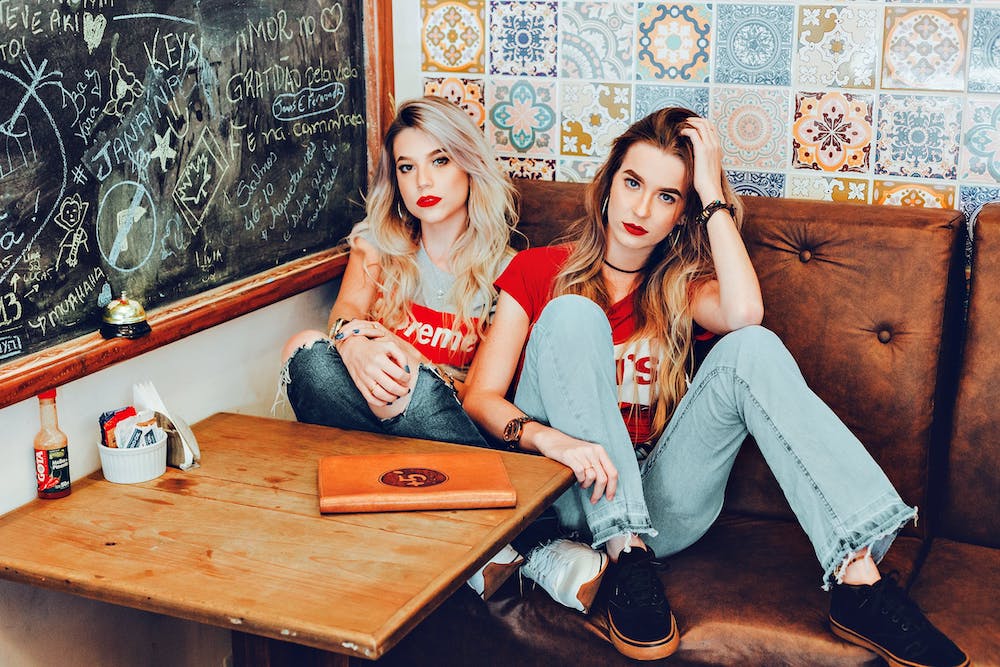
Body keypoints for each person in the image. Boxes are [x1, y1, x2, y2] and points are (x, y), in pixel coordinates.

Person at [463, 107, 969, 666]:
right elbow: (479, 398)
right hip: (565, 493)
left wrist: (711, 189)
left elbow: (746, 313)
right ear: (607, 187)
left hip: (659, 506)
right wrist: (550, 440)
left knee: (751, 346)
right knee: (571, 316)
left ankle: (860, 584)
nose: (641, 208)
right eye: (632, 183)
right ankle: (621, 554)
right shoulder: (538, 270)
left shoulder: (681, 288)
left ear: (683, 215)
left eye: (667, 196)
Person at [279, 95, 516, 450]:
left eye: (440, 161)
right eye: (407, 167)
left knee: (410, 388)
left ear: (469, 165)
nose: (423, 181)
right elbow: (346, 314)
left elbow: (479, 401)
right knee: (304, 350)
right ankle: (381, 467)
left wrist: (412, 360)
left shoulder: (507, 271)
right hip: (375, 411)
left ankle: (384, 463)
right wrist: (353, 344)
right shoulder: (377, 242)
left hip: (450, 427)